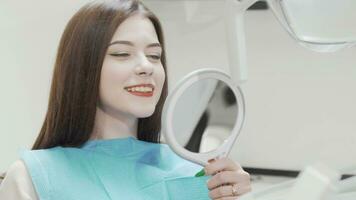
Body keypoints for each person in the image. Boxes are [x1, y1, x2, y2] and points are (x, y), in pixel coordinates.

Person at [0, 0, 251, 199]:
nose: (146, 67)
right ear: (82, 68)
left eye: (154, 56)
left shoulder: (199, 177)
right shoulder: (31, 177)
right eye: (122, 53)